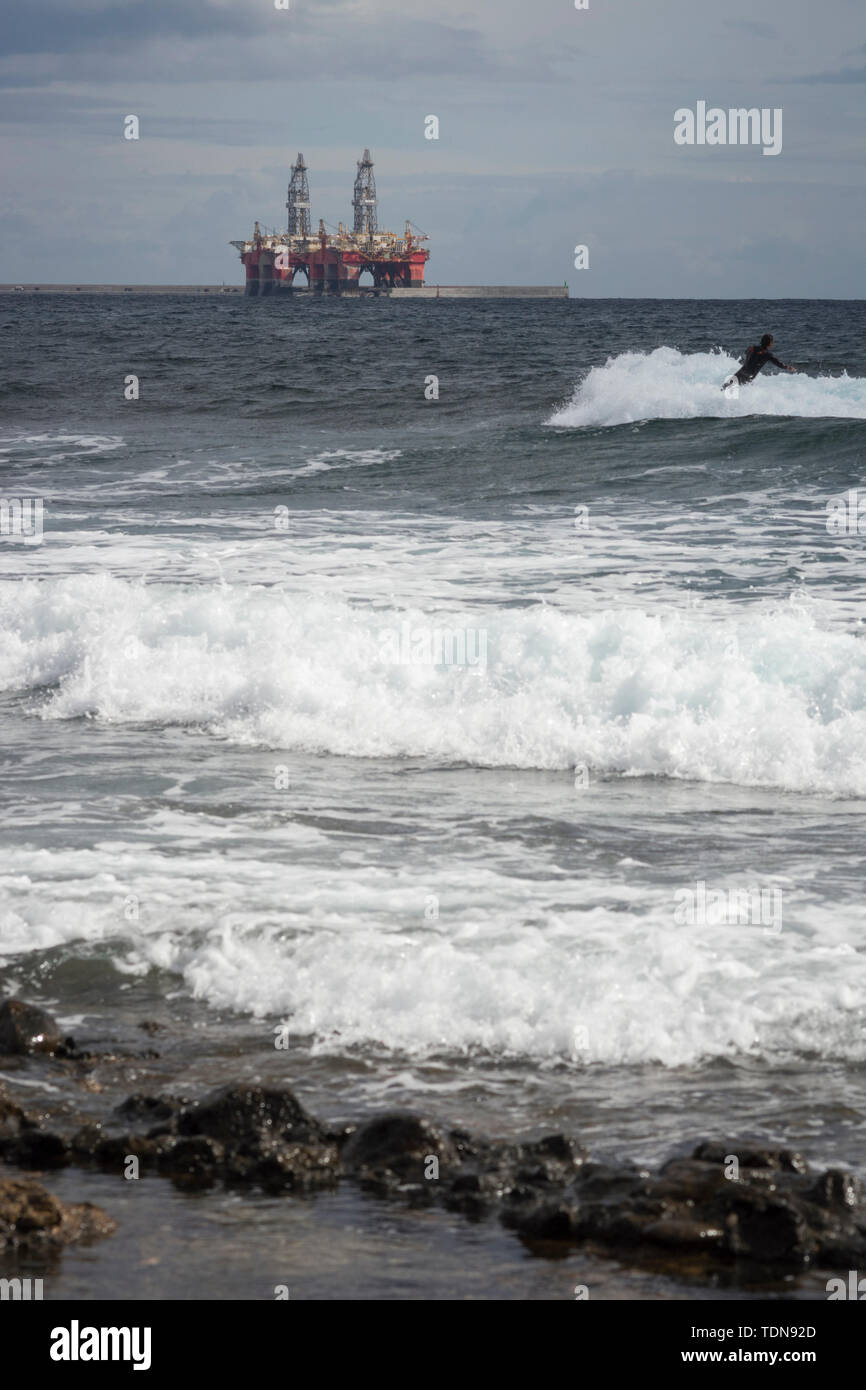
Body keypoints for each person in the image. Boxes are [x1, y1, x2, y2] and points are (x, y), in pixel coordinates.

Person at [722, 334, 797, 390]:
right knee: (737, 390)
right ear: (770, 343)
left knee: (726, 386)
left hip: (742, 371)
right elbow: (779, 364)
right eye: (772, 342)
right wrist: (789, 367)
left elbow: (746, 353)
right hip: (749, 376)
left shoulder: (752, 348)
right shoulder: (768, 354)